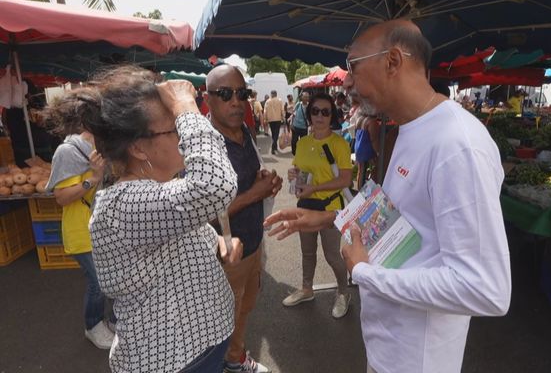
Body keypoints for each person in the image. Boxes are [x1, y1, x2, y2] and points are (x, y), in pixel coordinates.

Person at [265, 19, 511, 373]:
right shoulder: (409, 127)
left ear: (393, 61)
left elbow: (485, 288)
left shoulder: (458, 145)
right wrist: (328, 218)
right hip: (387, 349)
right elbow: (402, 221)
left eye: (353, 66)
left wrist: (365, 273)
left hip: (418, 360)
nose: (346, 81)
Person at [47, 66, 243, 372]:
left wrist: (218, 242)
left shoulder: (158, 191)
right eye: (175, 127)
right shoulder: (123, 205)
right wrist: (185, 107)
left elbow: (187, 229)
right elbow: (216, 185)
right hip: (175, 360)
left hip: (199, 348)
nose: (183, 134)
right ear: (138, 147)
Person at [206, 65, 282, 373]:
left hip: (253, 244)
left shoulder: (245, 133)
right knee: (221, 320)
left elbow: (252, 180)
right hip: (226, 254)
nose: (236, 101)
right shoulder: (204, 149)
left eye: (242, 93)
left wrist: (265, 180)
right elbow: (201, 216)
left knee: (244, 309)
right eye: (225, 94)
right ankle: (228, 362)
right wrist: (254, 193)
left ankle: (235, 357)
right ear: (207, 98)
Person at [44, 111, 115, 350]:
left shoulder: (105, 149)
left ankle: (111, 321)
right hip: (80, 230)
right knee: (98, 282)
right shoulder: (68, 152)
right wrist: (93, 178)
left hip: (103, 228)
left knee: (110, 278)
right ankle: (92, 325)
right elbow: (61, 197)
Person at [282, 93, 353, 319]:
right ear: (309, 114)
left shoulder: (339, 143)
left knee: (332, 255)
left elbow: (345, 180)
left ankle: (343, 293)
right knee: (307, 251)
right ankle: (306, 289)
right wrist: (292, 174)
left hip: (331, 207)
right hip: (306, 204)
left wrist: (315, 188)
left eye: (325, 112)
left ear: (332, 115)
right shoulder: (303, 143)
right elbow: (299, 171)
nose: (320, 116)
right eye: (315, 111)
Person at [263, 90, 285, 154]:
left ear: (271, 94)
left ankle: (274, 146)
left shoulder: (267, 101)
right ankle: (274, 146)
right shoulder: (280, 100)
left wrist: (265, 119)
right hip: (278, 119)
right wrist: (283, 117)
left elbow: (265, 111)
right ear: (276, 94)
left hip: (270, 119)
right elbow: (282, 110)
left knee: (273, 133)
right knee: (276, 133)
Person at [290, 91, 310, 155]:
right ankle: (294, 153)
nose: (306, 98)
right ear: (302, 97)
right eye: (304, 97)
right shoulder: (298, 104)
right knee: (294, 141)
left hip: (304, 127)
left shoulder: (309, 106)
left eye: (307, 97)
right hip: (295, 126)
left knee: (303, 142)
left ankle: (302, 154)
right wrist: (291, 123)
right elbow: (293, 114)